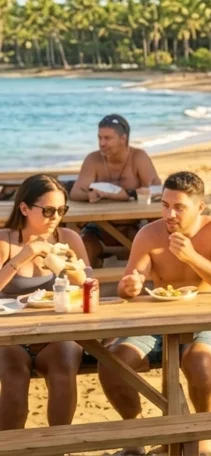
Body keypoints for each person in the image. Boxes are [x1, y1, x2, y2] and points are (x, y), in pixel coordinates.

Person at [98, 171, 211, 456]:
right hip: (157, 320)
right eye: (165, 205)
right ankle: (136, 435)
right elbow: (129, 287)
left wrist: (192, 257)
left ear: (199, 207)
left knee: (198, 362)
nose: (170, 213)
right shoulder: (149, 234)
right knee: (112, 364)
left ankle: (203, 438)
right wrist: (130, 285)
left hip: (208, 319)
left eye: (179, 207)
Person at [0, 175, 90, 430]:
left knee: (63, 371)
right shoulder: (5, 241)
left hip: (56, 331)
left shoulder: (69, 238)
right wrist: (22, 257)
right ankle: (11, 449)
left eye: (62, 210)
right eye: (48, 210)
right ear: (25, 208)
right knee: (14, 378)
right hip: (10, 334)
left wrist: (74, 272)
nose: (55, 217)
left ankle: (57, 448)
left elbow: (89, 288)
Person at [70, 114, 161, 267]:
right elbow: (75, 192)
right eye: (99, 138)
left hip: (134, 225)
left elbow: (158, 189)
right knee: (82, 249)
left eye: (107, 138)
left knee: (157, 248)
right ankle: (86, 287)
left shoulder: (138, 157)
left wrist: (130, 194)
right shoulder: (93, 159)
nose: (101, 143)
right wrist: (89, 195)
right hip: (99, 226)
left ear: (123, 138)